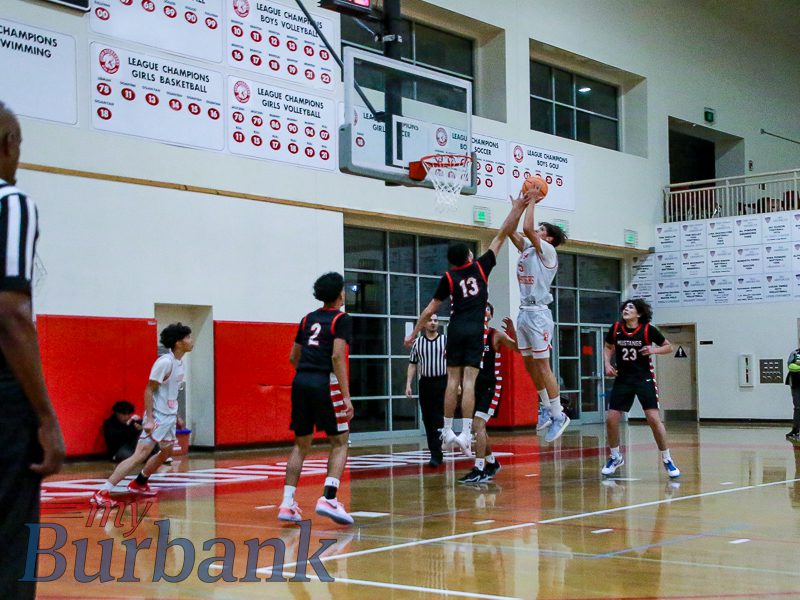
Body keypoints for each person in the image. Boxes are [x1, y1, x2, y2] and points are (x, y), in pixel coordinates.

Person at [404, 192, 532, 456]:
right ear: (469, 256)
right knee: (469, 381)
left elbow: (429, 310)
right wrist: (518, 208)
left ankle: (446, 430)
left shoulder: (449, 277)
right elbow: (502, 234)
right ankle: (464, 433)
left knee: (452, 380)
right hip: (475, 330)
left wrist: (413, 334)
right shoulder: (481, 267)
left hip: (455, 329)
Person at [0, 101, 65, 600]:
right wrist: (45, 416)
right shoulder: (12, 204)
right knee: (10, 546)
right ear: (8, 145)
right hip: (4, 404)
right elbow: (11, 314)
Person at [278, 272, 355, 525]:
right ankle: (329, 498)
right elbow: (337, 356)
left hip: (301, 381)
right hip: (325, 381)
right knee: (340, 441)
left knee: (301, 444)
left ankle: (287, 504)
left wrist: (307, 374)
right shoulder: (341, 319)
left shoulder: (307, 319)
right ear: (339, 293)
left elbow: (293, 357)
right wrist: (346, 397)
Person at [91, 323, 193, 506]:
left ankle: (139, 482)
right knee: (139, 455)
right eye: (188, 337)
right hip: (158, 418)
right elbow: (149, 390)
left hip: (168, 418)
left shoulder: (179, 363)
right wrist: (150, 419)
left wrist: (176, 415)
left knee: (166, 452)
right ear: (178, 343)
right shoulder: (165, 362)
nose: (191, 341)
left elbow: (169, 394)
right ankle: (102, 492)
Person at [508, 183, 570, 443]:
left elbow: (525, 228)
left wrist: (532, 201)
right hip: (524, 311)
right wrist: (516, 208)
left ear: (550, 238)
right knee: (529, 363)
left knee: (543, 365)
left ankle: (559, 414)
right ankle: (545, 406)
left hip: (539, 314)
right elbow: (510, 230)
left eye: (542, 229)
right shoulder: (528, 249)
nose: (537, 230)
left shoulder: (548, 251)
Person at [601, 299, 680, 478]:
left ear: (639, 313)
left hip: (644, 378)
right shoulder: (616, 328)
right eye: (625, 307)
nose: (626, 309)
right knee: (611, 419)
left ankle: (667, 458)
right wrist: (607, 363)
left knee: (653, 419)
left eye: (631, 307)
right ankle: (615, 457)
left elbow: (668, 347)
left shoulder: (648, 330)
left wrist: (653, 350)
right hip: (623, 379)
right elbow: (608, 346)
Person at [459, 303, 518, 484]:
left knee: (478, 425)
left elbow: (517, 348)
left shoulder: (496, 335)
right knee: (478, 428)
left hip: (491, 386)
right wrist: (460, 384)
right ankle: (492, 463)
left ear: (491, 315)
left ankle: (479, 468)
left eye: (487, 309)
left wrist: (513, 332)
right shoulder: (470, 336)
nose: (483, 312)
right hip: (473, 386)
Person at [405, 313, 447, 467]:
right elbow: (412, 364)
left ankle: (440, 447)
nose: (433, 323)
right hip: (425, 383)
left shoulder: (445, 341)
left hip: (442, 381)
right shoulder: (418, 343)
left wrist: (457, 384)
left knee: (439, 417)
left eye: (435, 320)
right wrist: (408, 384)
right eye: (430, 320)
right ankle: (434, 453)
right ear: (423, 324)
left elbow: (452, 364)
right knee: (428, 419)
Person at [785, 345, 800, 441]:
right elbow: (791, 366)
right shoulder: (795, 353)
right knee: (797, 407)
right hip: (796, 383)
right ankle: (795, 430)